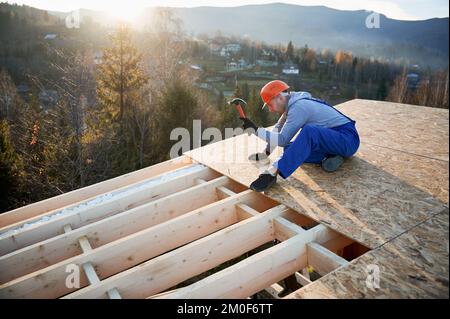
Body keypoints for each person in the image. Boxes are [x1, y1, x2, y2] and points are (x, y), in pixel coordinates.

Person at [240, 80, 360, 192]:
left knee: (309, 132)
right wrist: (264, 154)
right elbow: (277, 130)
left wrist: (256, 131)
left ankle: (271, 174)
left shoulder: (299, 107)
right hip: (333, 140)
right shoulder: (291, 105)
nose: (270, 110)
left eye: (270, 105)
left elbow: (282, 139)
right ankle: (328, 157)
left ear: (280, 98)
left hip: (348, 139)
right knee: (289, 149)